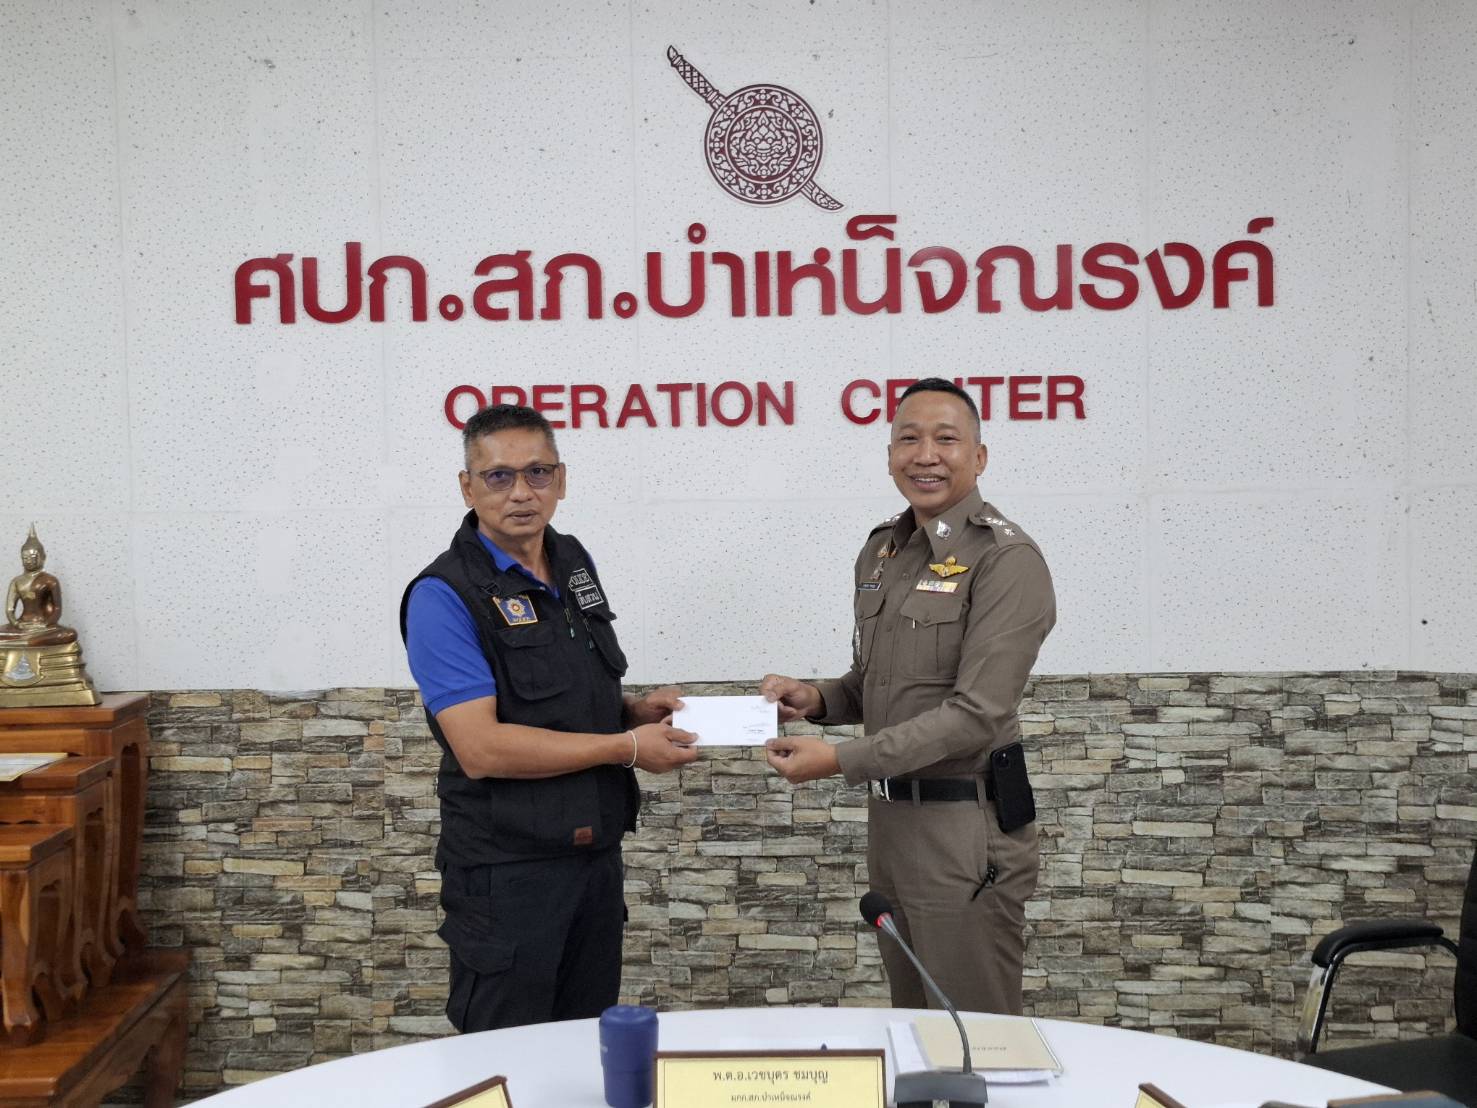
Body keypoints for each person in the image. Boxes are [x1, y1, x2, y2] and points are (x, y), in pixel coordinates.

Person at [760, 378, 1055, 1016]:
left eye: (947, 439)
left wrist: (838, 760)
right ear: (890, 454)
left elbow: (976, 716)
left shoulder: (1006, 560)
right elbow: (875, 683)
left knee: (976, 1034)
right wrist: (814, 699)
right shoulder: (883, 552)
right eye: (908, 439)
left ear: (979, 456)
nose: (926, 455)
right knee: (916, 1025)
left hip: (964, 829)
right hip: (892, 825)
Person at [400, 404, 698, 1032]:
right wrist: (626, 746)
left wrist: (632, 712)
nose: (521, 492)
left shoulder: (571, 560)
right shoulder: (443, 596)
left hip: (592, 861)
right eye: (498, 476)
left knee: (582, 1049)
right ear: (468, 487)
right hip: (507, 875)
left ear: (560, 479)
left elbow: (565, 697)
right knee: (507, 1060)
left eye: (537, 472)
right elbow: (481, 747)